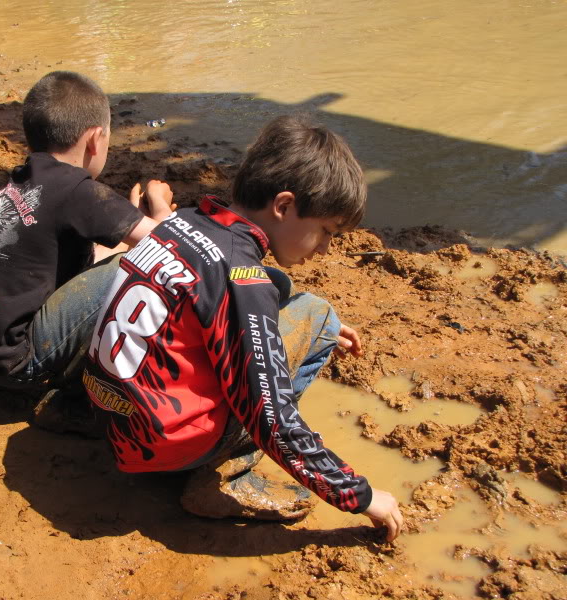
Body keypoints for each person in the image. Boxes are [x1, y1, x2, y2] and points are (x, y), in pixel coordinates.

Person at [82, 114, 404, 541]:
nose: (326, 248)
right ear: (284, 206)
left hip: (108, 415)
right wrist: (359, 495)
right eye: (326, 231)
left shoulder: (183, 223)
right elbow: (271, 417)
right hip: (158, 448)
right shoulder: (242, 278)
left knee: (289, 298)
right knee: (318, 315)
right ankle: (227, 475)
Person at [0, 71, 173, 408]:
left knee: (117, 257)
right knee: (140, 267)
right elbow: (168, 245)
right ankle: (76, 399)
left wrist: (128, 222)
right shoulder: (78, 190)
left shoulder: (27, 179)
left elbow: (74, 258)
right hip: (20, 364)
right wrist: (160, 209)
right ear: (95, 140)